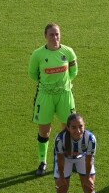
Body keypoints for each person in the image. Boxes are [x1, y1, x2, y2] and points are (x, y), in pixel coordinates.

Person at [28, 23, 77, 176]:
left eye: (57, 34)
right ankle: (42, 162)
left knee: (68, 129)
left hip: (64, 95)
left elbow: (73, 71)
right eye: (51, 34)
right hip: (45, 96)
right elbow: (32, 74)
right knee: (44, 130)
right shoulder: (38, 54)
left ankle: (68, 159)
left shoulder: (68, 52)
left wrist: (63, 85)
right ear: (45, 36)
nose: (55, 37)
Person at [52, 113, 97, 193]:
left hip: (82, 159)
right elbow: (60, 160)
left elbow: (89, 160)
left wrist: (88, 177)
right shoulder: (60, 139)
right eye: (74, 127)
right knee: (61, 190)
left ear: (84, 126)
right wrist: (61, 177)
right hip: (65, 160)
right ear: (67, 127)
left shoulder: (90, 139)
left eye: (80, 126)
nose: (78, 130)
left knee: (89, 189)